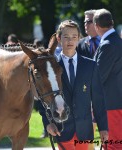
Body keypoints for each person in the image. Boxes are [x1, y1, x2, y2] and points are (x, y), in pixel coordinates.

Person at [38, 20, 108, 150]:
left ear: (79, 38)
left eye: (74, 37)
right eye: (66, 37)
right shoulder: (53, 68)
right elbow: (44, 98)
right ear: (59, 38)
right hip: (62, 130)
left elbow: (99, 100)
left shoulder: (91, 66)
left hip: (84, 131)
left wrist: (103, 128)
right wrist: (48, 124)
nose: (70, 40)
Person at [93, 8, 122, 150]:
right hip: (115, 102)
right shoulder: (117, 41)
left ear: (96, 26)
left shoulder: (108, 45)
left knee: (113, 145)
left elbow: (97, 76)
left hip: (112, 104)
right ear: (112, 23)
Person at [77, 9, 100, 150]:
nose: (85, 24)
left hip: (106, 96)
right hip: (87, 95)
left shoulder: (108, 41)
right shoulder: (80, 44)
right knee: (87, 134)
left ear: (97, 23)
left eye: (89, 21)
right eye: (84, 21)